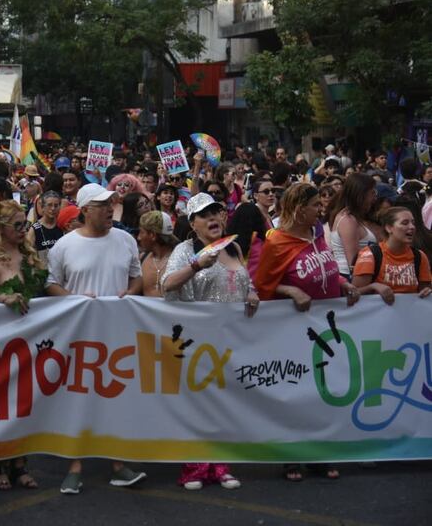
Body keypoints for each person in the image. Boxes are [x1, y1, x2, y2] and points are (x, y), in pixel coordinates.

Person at [254, 183, 360, 482]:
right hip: (290, 330)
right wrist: (290, 290)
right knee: (294, 394)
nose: (321, 210)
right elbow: (262, 285)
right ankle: (290, 456)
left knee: (320, 392)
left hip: (323, 327)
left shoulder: (316, 234)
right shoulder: (277, 242)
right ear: (300, 210)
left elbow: (324, 267)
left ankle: (318, 454)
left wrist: (342, 282)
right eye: (315, 205)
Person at [45, 183, 146, 494]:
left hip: (117, 333)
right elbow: (51, 284)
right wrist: (75, 299)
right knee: (78, 399)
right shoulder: (63, 246)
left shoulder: (126, 239)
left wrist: (129, 294)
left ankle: (118, 464)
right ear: (85, 210)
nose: (109, 209)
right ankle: (75, 466)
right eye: (102, 205)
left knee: (115, 397)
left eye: (110, 204)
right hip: (78, 335)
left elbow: (137, 275)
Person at [161, 193, 257, 491]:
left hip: (230, 341)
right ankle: (195, 467)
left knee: (226, 404)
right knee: (198, 405)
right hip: (196, 342)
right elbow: (166, 285)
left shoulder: (235, 246)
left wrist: (251, 292)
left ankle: (221, 466)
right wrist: (196, 265)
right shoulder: (185, 249)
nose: (214, 218)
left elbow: (242, 282)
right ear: (193, 223)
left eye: (217, 211)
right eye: (205, 215)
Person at [0, 200, 46, 491]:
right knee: (1, 406)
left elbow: (45, 289)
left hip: (32, 341)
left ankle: (21, 463)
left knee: (26, 404)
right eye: (17, 225)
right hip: (0, 343)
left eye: (24, 224)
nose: (22, 230)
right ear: (1, 227)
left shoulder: (29, 255)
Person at [352, 207, 432, 301]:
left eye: (413, 223)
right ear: (389, 228)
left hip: (409, 314)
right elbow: (353, 293)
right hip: (378, 314)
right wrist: (373, 287)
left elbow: (425, 292)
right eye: (405, 223)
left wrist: (428, 291)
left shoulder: (420, 256)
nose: (412, 227)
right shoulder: (370, 254)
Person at [329, 173, 379, 278]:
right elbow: (353, 262)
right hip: (349, 277)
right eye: (372, 193)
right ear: (361, 194)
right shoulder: (348, 221)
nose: (375, 197)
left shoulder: (354, 217)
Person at [137, 211, 179, 298]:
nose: (139, 237)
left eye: (141, 232)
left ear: (152, 235)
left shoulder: (180, 260)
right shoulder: (141, 259)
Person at [27, 191, 63, 264]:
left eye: (56, 205)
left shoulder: (62, 226)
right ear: (43, 207)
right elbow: (29, 254)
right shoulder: (35, 229)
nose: (53, 208)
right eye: (49, 205)